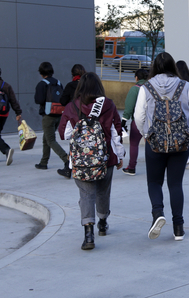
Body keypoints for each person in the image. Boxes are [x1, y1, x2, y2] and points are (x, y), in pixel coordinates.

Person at [134, 52, 189, 241]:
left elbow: (138, 116)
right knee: (175, 184)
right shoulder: (185, 85)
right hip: (180, 142)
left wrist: (145, 134)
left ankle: (158, 214)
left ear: (155, 67)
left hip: (155, 142)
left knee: (154, 182)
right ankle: (179, 228)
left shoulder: (146, 87)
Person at [58, 72, 125, 250]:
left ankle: (88, 235)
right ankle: (102, 223)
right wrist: (119, 155)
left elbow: (63, 134)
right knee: (103, 192)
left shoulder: (72, 106)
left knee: (86, 195)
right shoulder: (108, 104)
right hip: (106, 158)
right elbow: (116, 131)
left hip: (81, 162)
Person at [34, 62, 70, 177]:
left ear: (41, 73)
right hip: (58, 114)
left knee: (50, 140)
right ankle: (43, 162)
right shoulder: (58, 82)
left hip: (48, 115)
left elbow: (38, 100)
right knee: (46, 138)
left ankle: (66, 160)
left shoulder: (42, 84)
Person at [121, 68, 149, 175]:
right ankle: (154, 166)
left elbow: (129, 107)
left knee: (134, 144)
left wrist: (123, 122)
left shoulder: (135, 89)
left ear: (136, 78)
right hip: (152, 121)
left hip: (137, 121)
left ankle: (131, 167)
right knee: (151, 145)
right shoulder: (152, 88)